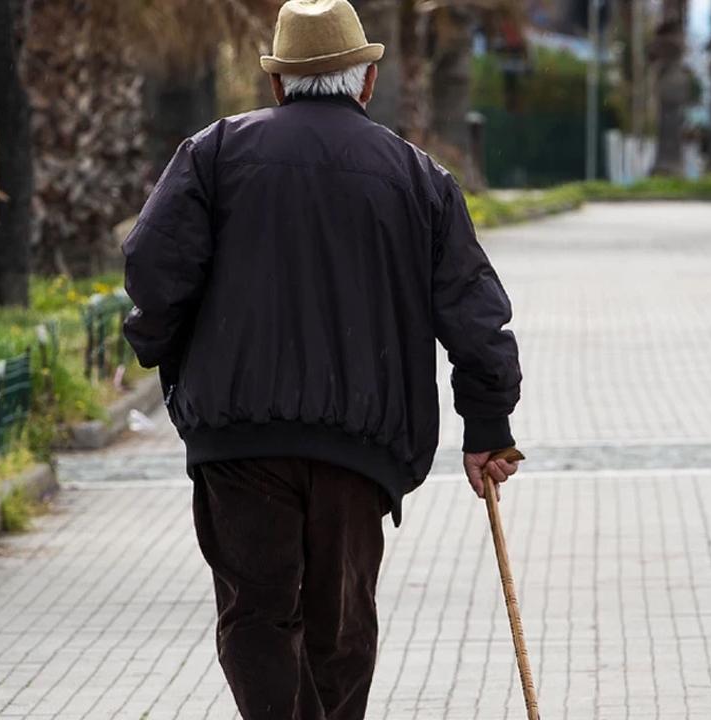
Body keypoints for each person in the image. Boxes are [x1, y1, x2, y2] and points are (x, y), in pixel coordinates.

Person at [120, 1, 522, 717]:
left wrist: (162, 348)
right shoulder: (419, 178)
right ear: (365, 82)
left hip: (238, 436)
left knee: (257, 619)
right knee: (340, 627)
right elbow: (474, 310)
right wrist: (487, 426)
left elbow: (153, 265)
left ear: (279, 84)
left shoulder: (213, 153)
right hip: (358, 444)